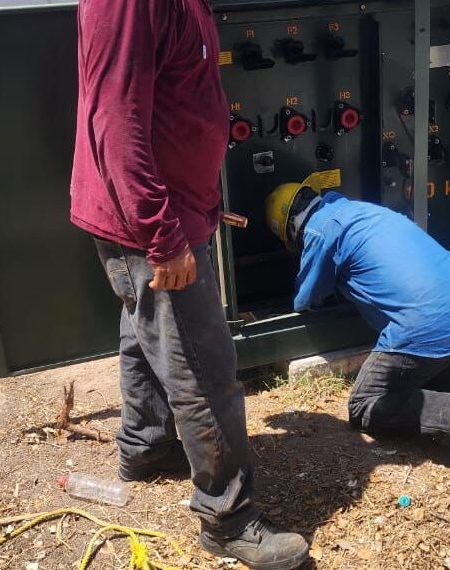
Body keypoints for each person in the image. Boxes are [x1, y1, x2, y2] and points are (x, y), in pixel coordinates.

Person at [69, 2, 309, 568]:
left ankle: (146, 446)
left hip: (175, 213)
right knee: (203, 368)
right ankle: (227, 518)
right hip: (154, 224)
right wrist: (162, 235)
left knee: (144, 332)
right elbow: (116, 118)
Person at [265, 177, 450, 475]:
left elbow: (305, 299)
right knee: (432, 375)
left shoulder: (318, 230)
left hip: (429, 325)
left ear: (290, 230)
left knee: (364, 404)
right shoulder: (366, 211)